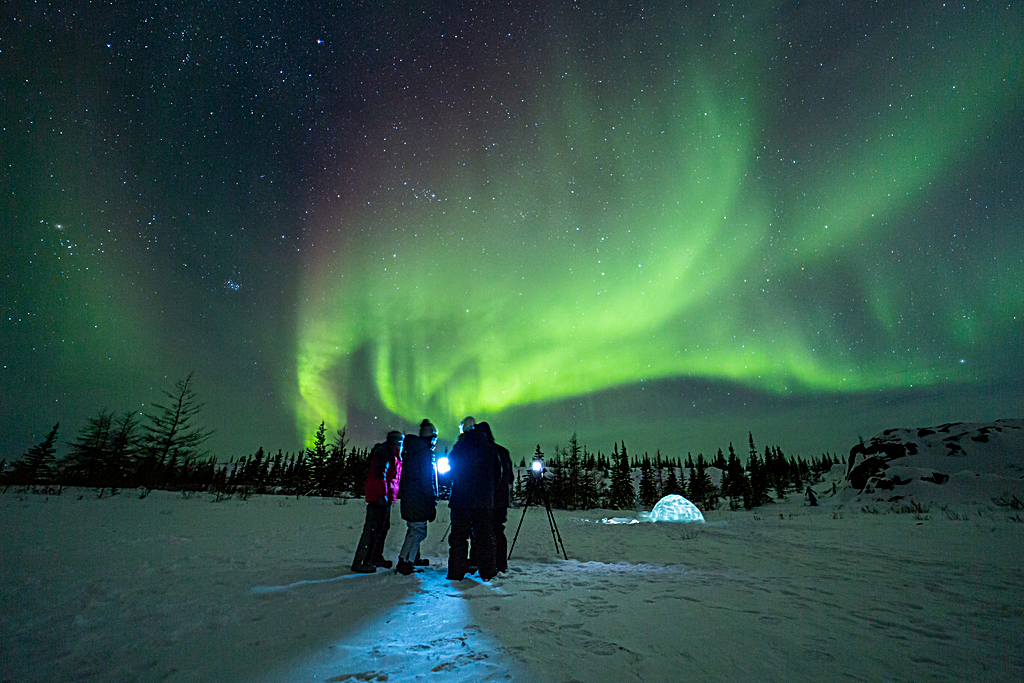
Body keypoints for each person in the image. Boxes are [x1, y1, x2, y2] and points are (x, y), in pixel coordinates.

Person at [446, 416, 500, 581]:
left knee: (459, 537)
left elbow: (451, 472)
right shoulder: (489, 448)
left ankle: (456, 572)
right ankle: (488, 571)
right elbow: (497, 474)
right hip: (483, 502)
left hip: (461, 500)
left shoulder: (460, 447)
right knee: (484, 536)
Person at [351, 430, 403, 573]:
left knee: (382, 528)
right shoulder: (385, 453)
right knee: (372, 530)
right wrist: (382, 494)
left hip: (385, 498)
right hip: (379, 498)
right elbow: (380, 475)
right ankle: (360, 562)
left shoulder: (393, 454)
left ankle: (375, 557)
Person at [396, 419, 438, 575]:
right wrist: (431, 501)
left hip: (410, 496)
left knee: (413, 530)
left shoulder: (412, 451)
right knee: (418, 531)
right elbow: (426, 479)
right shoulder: (424, 453)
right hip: (419, 498)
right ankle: (406, 562)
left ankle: (406, 559)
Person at [477, 421, 513, 573]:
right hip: (501, 499)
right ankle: (501, 563)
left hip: (487, 500)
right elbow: (509, 477)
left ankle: (486, 563)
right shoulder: (502, 452)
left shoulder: (484, 453)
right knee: (498, 530)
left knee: (484, 531)